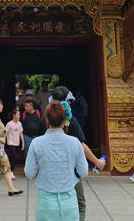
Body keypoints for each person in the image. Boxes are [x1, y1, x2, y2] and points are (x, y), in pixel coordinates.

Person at [25, 101, 88, 220]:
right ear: (65, 122)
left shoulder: (36, 142)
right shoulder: (74, 142)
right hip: (69, 202)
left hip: (46, 202)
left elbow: (29, 173)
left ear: (46, 121)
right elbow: (83, 172)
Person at [51, 86, 106, 221]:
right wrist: (97, 161)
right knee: (79, 202)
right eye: (69, 101)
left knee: (55, 204)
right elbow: (81, 145)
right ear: (65, 103)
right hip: (70, 170)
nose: (70, 103)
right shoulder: (71, 121)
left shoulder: (45, 121)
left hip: (51, 172)